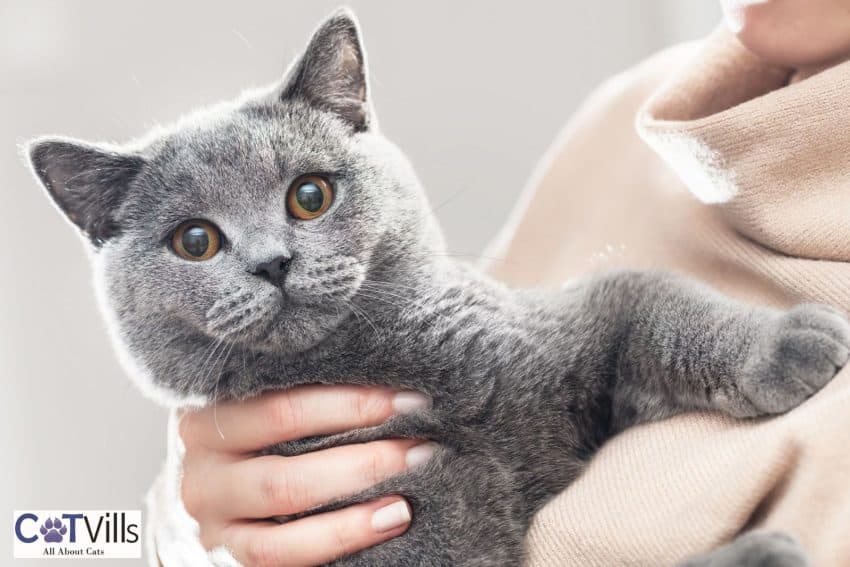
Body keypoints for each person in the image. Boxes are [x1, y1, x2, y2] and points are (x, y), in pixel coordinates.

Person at [148, 1, 850, 564]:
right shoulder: (623, 122)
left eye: (305, 200)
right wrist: (190, 532)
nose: (270, 257)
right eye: (199, 241)